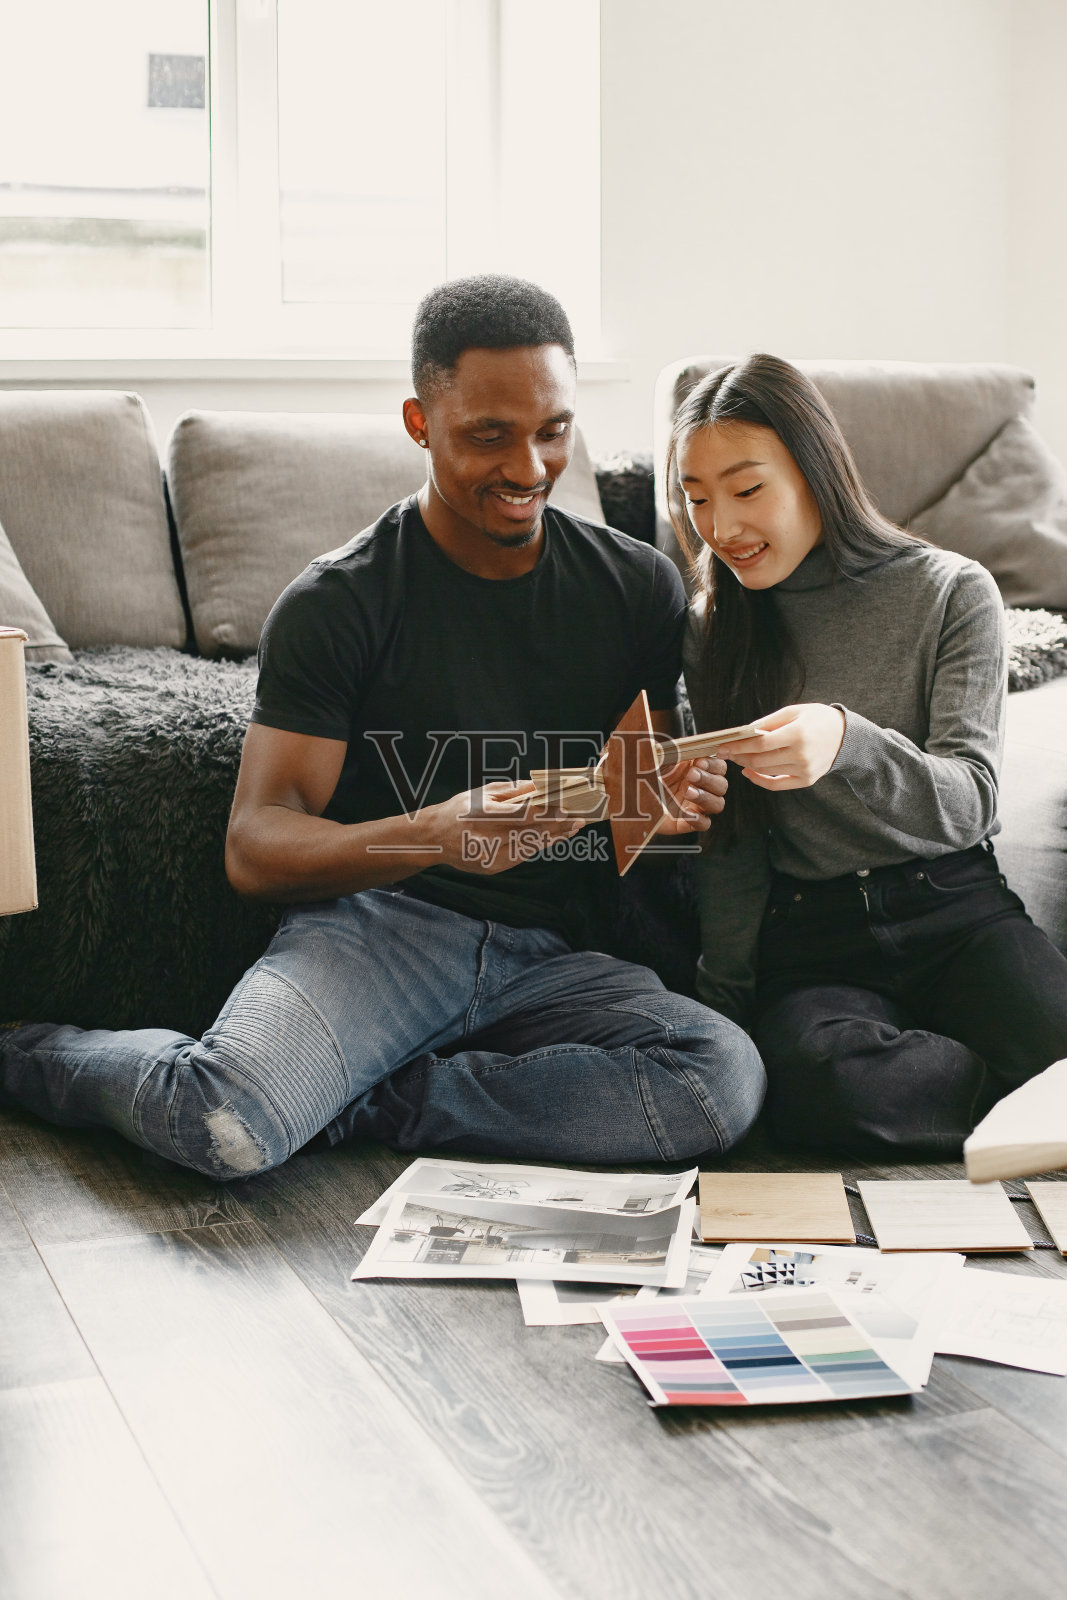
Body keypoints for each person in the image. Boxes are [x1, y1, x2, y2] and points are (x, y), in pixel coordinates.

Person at [0, 276, 764, 1179]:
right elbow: (255, 847)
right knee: (224, 1124)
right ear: (418, 421)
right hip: (377, 934)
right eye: (489, 435)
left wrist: (664, 805)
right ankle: (25, 1052)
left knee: (719, 1079)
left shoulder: (637, 588)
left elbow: (631, 809)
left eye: (552, 431)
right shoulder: (341, 601)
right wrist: (434, 835)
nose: (528, 467)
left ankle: (366, 1098)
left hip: (551, 959)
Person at [671, 352, 1067, 1156]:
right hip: (812, 937)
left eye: (747, 491)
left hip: (955, 910)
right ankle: (1021, 1108)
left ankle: (1019, 1094)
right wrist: (726, 998)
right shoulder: (713, 623)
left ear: (816, 472)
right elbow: (734, 837)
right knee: (823, 1088)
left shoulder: (951, 591)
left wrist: (847, 741)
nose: (721, 527)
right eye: (696, 497)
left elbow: (971, 799)